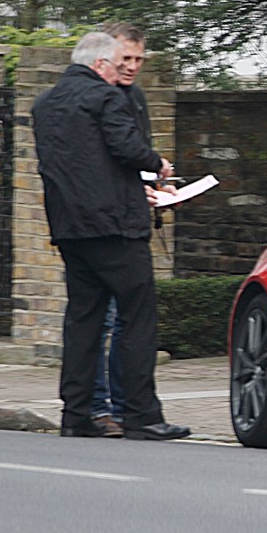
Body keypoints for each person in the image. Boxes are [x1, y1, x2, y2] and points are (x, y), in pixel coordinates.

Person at [31, 31, 190, 440]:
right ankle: (141, 415)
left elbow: (84, 163)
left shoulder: (44, 104)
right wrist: (159, 165)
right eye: (115, 63)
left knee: (83, 320)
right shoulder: (106, 97)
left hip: (69, 228)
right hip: (116, 227)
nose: (121, 70)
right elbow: (127, 148)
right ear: (100, 64)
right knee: (138, 317)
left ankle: (77, 414)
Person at [88, 23, 157, 438]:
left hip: (129, 218)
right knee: (100, 318)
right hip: (100, 224)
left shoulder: (136, 98)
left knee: (122, 319)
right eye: (125, 59)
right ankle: (99, 407)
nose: (132, 67)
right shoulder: (96, 99)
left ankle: (119, 404)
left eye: (138, 60)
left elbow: (134, 160)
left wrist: (151, 188)